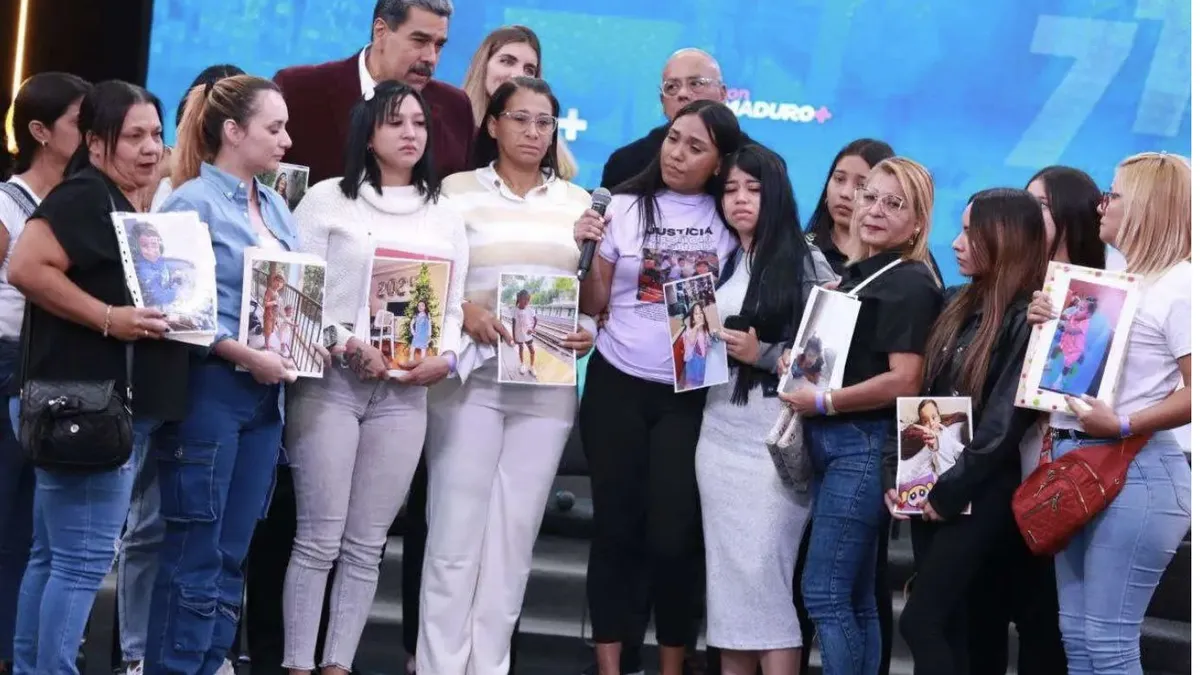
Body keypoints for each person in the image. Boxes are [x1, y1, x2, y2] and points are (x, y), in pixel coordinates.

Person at [283, 79, 467, 675]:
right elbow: (297, 296)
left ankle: (338, 666)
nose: (411, 133)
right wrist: (343, 342)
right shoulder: (326, 201)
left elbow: (454, 307)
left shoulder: (445, 214)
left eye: (420, 123)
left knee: (366, 546)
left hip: (405, 394)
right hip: (331, 385)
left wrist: (449, 358)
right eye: (396, 122)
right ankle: (297, 665)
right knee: (318, 540)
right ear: (368, 134)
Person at [8, 79, 191, 675]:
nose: (151, 147)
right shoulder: (86, 196)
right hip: (84, 410)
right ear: (94, 143)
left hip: (84, 406)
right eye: (133, 136)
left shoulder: (121, 200)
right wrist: (109, 318)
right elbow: (25, 267)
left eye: (157, 134)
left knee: (53, 557)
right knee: (81, 561)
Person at [417, 76, 595, 675]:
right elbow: (431, 275)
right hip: (470, 380)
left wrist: (588, 329)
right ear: (492, 124)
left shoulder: (577, 203)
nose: (533, 132)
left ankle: (488, 666)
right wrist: (464, 311)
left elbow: (592, 298)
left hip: (546, 387)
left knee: (513, 542)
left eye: (545, 122)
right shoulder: (455, 192)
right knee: (453, 536)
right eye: (520, 119)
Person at [575, 99, 742, 675]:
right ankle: (610, 666)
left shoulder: (729, 219)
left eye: (696, 147)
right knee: (614, 529)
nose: (677, 154)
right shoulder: (622, 206)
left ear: (720, 162)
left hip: (688, 393)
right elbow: (594, 302)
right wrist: (586, 252)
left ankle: (673, 664)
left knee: (674, 536)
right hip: (616, 385)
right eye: (674, 139)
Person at [143, 74, 299, 675]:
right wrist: (245, 354)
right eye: (274, 128)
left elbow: (294, 297)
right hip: (212, 390)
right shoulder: (190, 203)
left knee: (234, 552)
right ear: (233, 131)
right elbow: (174, 311)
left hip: (267, 400)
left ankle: (212, 663)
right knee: (195, 548)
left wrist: (324, 340)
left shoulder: (277, 205)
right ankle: (174, 667)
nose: (286, 140)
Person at [777, 157, 943, 675]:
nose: (873, 209)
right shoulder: (859, 274)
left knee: (823, 593)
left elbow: (905, 380)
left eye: (894, 203)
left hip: (861, 444)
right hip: (840, 444)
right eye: (870, 196)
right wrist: (798, 365)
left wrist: (825, 402)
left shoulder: (910, 282)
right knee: (855, 598)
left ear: (917, 223)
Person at [1028, 151, 1191, 674]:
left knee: (1107, 642)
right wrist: (1045, 326)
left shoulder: (1181, 286)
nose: (1102, 205)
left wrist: (1122, 423)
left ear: (1146, 205)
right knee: (1078, 639)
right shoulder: (1119, 283)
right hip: (1077, 464)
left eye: (1113, 195)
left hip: (1136, 469)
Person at [883, 188, 1047, 675]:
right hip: (930, 480)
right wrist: (899, 474)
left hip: (980, 490)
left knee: (922, 620)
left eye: (971, 232)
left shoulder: (1028, 318)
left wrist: (950, 491)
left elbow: (1003, 423)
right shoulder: (954, 302)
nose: (956, 243)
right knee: (950, 624)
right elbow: (920, 398)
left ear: (1005, 238)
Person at [695, 143, 835, 675]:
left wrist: (763, 354)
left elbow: (825, 363)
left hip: (774, 439)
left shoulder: (805, 259)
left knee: (766, 582)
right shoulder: (724, 257)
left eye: (753, 189)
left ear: (776, 193)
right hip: (717, 431)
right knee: (728, 586)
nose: (740, 199)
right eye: (730, 189)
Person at [966, 165, 1108, 675]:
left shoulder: (1100, 298)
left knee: (1044, 623)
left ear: (1074, 216)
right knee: (981, 615)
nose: (1026, 213)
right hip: (992, 477)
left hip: (1057, 481)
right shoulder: (998, 289)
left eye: (1041, 205)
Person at [0, 70, 90, 675]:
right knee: (9, 519)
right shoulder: (8, 204)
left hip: (69, 369)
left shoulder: (85, 199)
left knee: (47, 529)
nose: (91, 134)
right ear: (39, 131)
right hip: (10, 361)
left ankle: (31, 649)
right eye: (80, 123)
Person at [273, 0, 474, 183]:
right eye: (419, 40)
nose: (431, 57)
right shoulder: (299, 91)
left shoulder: (455, 107)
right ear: (380, 32)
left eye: (439, 45)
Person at [600, 49, 752, 193]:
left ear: (722, 94)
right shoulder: (626, 164)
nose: (682, 93)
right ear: (662, 101)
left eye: (696, 83)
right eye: (672, 87)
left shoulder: (755, 164)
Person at [462, 25, 579, 181]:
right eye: (507, 61)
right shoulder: (453, 128)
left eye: (529, 70)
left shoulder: (548, 151)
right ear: (484, 64)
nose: (517, 75)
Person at [511, 289, 538, 376]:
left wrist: (532, 329)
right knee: (521, 348)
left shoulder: (530, 309)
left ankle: (532, 366)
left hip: (527, 334)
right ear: (519, 299)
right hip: (519, 334)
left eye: (528, 299)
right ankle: (522, 364)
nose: (526, 301)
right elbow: (513, 324)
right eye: (524, 299)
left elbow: (535, 320)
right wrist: (514, 337)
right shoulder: (514, 310)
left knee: (532, 350)